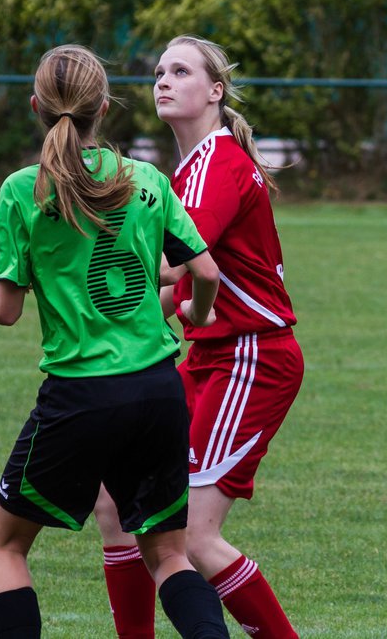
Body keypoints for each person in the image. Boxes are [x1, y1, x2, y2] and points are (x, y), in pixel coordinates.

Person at [0, 44, 230, 639]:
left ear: (35, 108)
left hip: (80, 398)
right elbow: (204, 273)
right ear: (105, 105)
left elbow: (7, 311)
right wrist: (196, 318)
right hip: (156, 392)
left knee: (5, 546)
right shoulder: (148, 179)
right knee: (169, 557)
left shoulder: (25, 189)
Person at [95, 35, 303, 639]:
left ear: (215, 92)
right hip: (210, 355)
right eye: (159, 71)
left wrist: (88, 267)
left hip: (250, 359)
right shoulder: (188, 170)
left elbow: (173, 265)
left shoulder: (216, 163)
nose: (163, 79)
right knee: (116, 503)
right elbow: (180, 288)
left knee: (194, 537)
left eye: (180, 71)